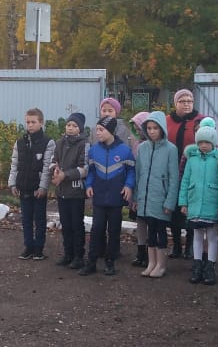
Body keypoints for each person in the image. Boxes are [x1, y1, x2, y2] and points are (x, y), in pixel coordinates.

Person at [177, 118, 218, 285]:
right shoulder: (192, 159)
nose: (204, 145)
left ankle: (210, 267)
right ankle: (197, 265)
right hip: (194, 203)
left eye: (207, 142)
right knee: (197, 235)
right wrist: (183, 202)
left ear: (213, 142)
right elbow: (185, 180)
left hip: (212, 204)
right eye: (201, 142)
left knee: (212, 236)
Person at [81, 116, 135, 276]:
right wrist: (89, 185)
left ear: (110, 131)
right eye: (96, 129)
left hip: (116, 198)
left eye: (101, 130)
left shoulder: (124, 150)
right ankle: (91, 262)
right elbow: (91, 171)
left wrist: (128, 185)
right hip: (99, 198)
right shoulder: (93, 150)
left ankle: (110, 262)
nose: (97, 133)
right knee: (96, 229)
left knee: (114, 230)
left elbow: (131, 171)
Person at [133, 111, 180, 279]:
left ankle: (161, 265)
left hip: (161, 198)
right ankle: (151, 263)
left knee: (161, 232)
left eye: (155, 128)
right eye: (149, 128)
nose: (152, 131)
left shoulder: (171, 149)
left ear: (162, 129)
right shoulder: (142, 148)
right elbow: (138, 174)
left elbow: (174, 178)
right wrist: (136, 197)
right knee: (150, 232)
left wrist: (170, 202)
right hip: (145, 198)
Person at [8, 107, 55, 260]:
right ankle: (28, 247)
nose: (30, 125)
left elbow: (47, 167)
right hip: (23, 186)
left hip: (38, 189)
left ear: (41, 123)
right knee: (26, 219)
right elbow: (14, 164)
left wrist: (43, 187)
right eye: (28, 122)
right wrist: (12, 183)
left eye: (33, 122)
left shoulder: (48, 143)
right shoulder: (20, 143)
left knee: (39, 220)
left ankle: (39, 249)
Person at [165, 89, 203, 258]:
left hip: (193, 171)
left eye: (190, 101)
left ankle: (190, 245)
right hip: (172, 170)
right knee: (174, 208)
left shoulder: (200, 120)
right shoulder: (167, 121)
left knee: (191, 208)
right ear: (176, 103)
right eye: (182, 101)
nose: (186, 104)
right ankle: (176, 245)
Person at [51, 112, 89, 269]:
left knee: (76, 225)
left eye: (74, 126)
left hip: (76, 192)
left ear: (80, 129)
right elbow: (53, 161)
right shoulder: (59, 143)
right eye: (68, 125)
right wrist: (54, 170)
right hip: (62, 191)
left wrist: (64, 175)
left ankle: (79, 256)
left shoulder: (84, 144)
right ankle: (68, 254)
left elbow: (84, 168)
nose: (70, 128)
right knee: (65, 224)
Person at [128, 111, 150, 268]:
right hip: (137, 188)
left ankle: (151, 253)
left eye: (138, 128)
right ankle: (141, 251)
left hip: (150, 189)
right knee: (140, 221)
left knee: (151, 223)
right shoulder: (136, 144)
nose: (137, 131)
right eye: (134, 128)